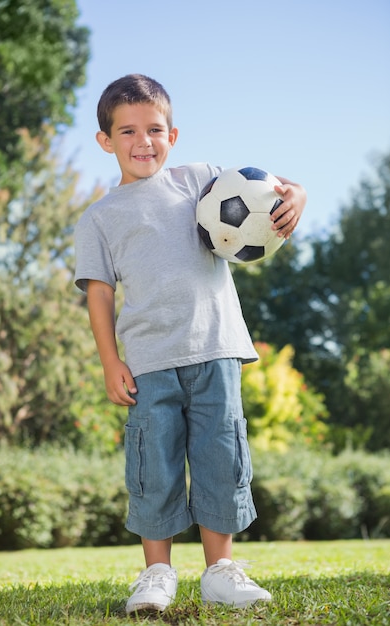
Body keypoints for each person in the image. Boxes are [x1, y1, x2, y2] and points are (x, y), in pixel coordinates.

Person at [74, 73, 306, 614]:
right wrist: (111, 362)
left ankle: (221, 571)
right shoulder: (100, 219)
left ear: (172, 135)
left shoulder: (201, 180)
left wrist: (297, 193)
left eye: (155, 129)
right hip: (150, 363)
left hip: (217, 350)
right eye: (127, 131)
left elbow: (279, 186)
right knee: (152, 465)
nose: (143, 142)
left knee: (221, 457)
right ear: (105, 141)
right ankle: (157, 573)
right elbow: (101, 296)